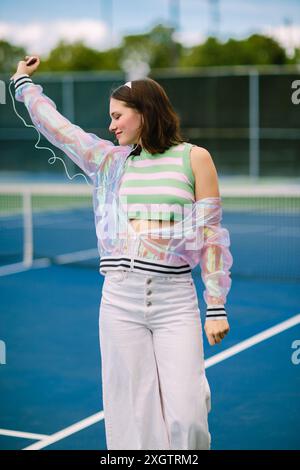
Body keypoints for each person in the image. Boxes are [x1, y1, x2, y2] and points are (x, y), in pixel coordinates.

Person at [11, 56, 233, 450]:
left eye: (117, 116)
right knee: (133, 417)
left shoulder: (194, 158)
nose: (111, 125)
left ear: (145, 113)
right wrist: (23, 84)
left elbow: (212, 237)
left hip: (174, 302)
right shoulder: (109, 162)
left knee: (189, 415)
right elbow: (60, 129)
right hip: (119, 301)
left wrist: (215, 306)